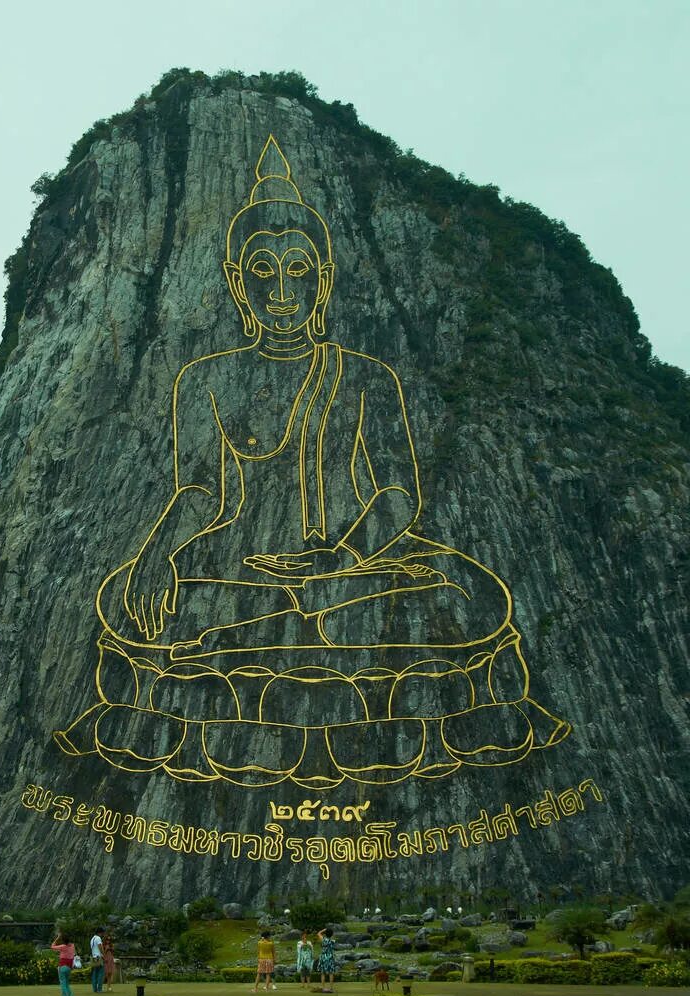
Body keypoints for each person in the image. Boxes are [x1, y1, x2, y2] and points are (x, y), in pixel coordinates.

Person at [55, 135, 569, 789]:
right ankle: (303, 655)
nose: (280, 290)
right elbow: (203, 491)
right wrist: (158, 551)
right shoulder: (204, 380)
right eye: (262, 270)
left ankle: (249, 662)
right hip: (246, 572)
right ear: (237, 281)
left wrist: (340, 561)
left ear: (322, 280)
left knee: (461, 596)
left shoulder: (366, 376)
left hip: (356, 571)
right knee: (139, 602)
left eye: (297, 269)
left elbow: (397, 495)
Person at [51, 932, 77, 996]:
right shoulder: (72, 946)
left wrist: (57, 938)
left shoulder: (63, 946)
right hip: (69, 967)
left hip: (62, 966)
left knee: (63, 984)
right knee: (67, 983)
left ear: (63, 940)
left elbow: (52, 946)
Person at [317, 927, 336, 993]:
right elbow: (332, 936)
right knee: (331, 973)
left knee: (323, 973)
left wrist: (324, 930)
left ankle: (323, 988)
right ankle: (331, 988)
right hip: (330, 957)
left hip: (323, 957)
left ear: (325, 934)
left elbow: (318, 933)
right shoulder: (332, 941)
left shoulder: (323, 939)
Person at [89, 927, 105, 994]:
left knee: (94, 973)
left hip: (93, 957)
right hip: (99, 957)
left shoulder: (92, 939)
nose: (103, 934)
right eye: (103, 933)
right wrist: (103, 954)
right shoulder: (98, 938)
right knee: (101, 973)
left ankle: (95, 988)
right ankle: (99, 989)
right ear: (100, 932)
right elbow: (100, 947)